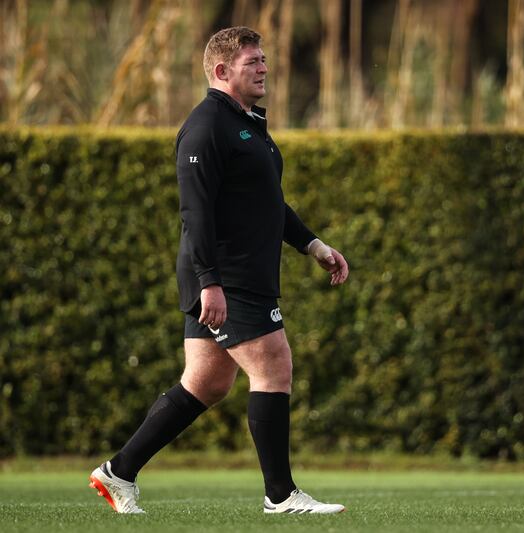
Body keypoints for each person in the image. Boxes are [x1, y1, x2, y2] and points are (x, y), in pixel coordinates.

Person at [88, 26, 349, 514]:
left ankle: (118, 472)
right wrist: (210, 281)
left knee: (207, 383)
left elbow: (268, 203)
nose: (264, 68)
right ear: (222, 70)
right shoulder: (207, 125)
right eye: (253, 62)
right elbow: (196, 211)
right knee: (274, 366)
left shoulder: (247, 124)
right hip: (226, 277)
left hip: (239, 275)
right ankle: (281, 496)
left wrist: (312, 244)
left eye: (264, 60)